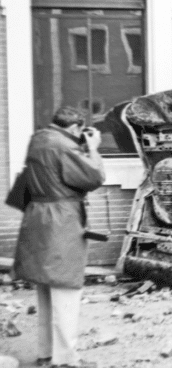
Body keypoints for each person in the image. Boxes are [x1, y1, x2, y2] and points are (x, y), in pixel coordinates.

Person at [12, 106, 105, 368]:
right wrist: (93, 148)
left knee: (45, 288)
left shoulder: (38, 139)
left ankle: (46, 353)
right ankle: (65, 360)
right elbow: (94, 176)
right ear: (75, 127)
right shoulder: (64, 146)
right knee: (66, 289)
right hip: (61, 220)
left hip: (37, 217)